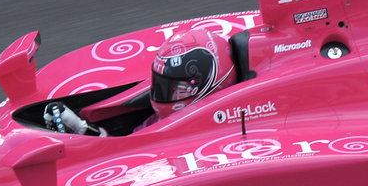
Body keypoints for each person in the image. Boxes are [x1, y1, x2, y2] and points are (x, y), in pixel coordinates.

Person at [42, 25, 236, 134]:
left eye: (177, 88)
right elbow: (134, 140)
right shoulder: (159, 120)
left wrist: (83, 131)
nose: (165, 93)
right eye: (162, 84)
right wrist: (83, 129)